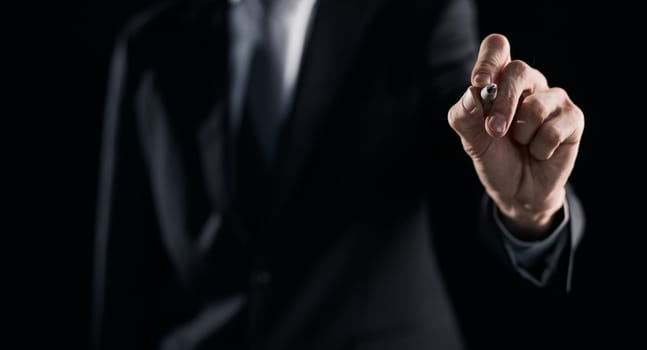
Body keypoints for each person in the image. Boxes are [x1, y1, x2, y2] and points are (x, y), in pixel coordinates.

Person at [90, 0, 586, 349]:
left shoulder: (417, 14)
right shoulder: (151, 44)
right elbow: (123, 277)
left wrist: (532, 208)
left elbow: (473, 162)